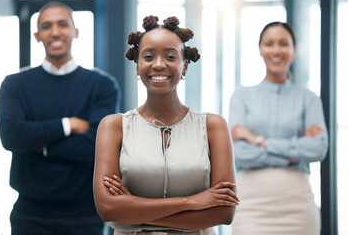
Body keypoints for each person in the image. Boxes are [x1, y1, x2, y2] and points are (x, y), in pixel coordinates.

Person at [93, 15, 239, 235]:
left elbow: (223, 214)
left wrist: (132, 208)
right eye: (148, 56)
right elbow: (108, 209)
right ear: (137, 66)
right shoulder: (114, 126)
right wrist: (193, 201)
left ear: (185, 67)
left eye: (170, 56)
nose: (159, 64)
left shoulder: (213, 126)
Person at [0, 1, 120, 235]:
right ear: (37, 35)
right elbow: (12, 136)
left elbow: (97, 144)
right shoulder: (15, 85)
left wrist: (40, 145)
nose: (55, 32)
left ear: (76, 31)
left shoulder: (102, 86)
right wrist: (68, 125)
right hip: (29, 215)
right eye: (46, 26)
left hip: (85, 216)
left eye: (63, 24)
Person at [228, 21, 328, 235]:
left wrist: (258, 140)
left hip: (298, 206)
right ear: (260, 49)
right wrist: (293, 154)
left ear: (294, 50)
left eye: (283, 43)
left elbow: (317, 149)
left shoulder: (308, 99)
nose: (275, 50)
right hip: (251, 207)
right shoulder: (242, 96)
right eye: (269, 43)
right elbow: (238, 153)